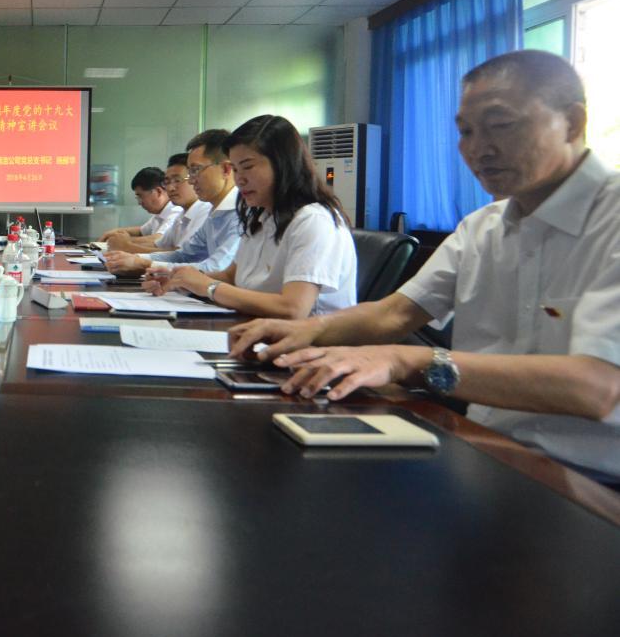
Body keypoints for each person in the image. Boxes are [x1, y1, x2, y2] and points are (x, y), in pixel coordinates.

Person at [229, 51, 620, 483]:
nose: (478, 149)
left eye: (501, 124)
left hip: (594, 480)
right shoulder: (481, 227)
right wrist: (303, 332)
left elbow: (597, 386)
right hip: (488, 449)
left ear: (573, 123)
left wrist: (406, 361)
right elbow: (395, 313)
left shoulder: (612, 220)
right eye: (466, 131)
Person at [145, 115, 356, 318]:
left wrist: (208, 287)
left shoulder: (313, 220)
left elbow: (293, 309)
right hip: (257, 328)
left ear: (282, 163)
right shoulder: (261, 217)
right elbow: (231, 277)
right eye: (236, 170)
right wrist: (180, 280)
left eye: (247, 167)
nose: (239, 179)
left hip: (307, 339)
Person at [106, 130, 240, 276]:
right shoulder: (214, 212)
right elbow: (184, 255)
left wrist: (144, 263)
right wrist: (135, 258)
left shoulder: (240, 212)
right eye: (190, 172)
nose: (191, 180)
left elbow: (217, 268)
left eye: (196, 170)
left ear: (226, 169)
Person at [99, 166, 182, 252]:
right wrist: (116, 231)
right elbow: (141, 231)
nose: (139, 202)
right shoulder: (159, 213)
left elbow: (158, 239)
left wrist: (124, 242)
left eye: (141, 196)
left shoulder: (176, 211)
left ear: (158, 192)